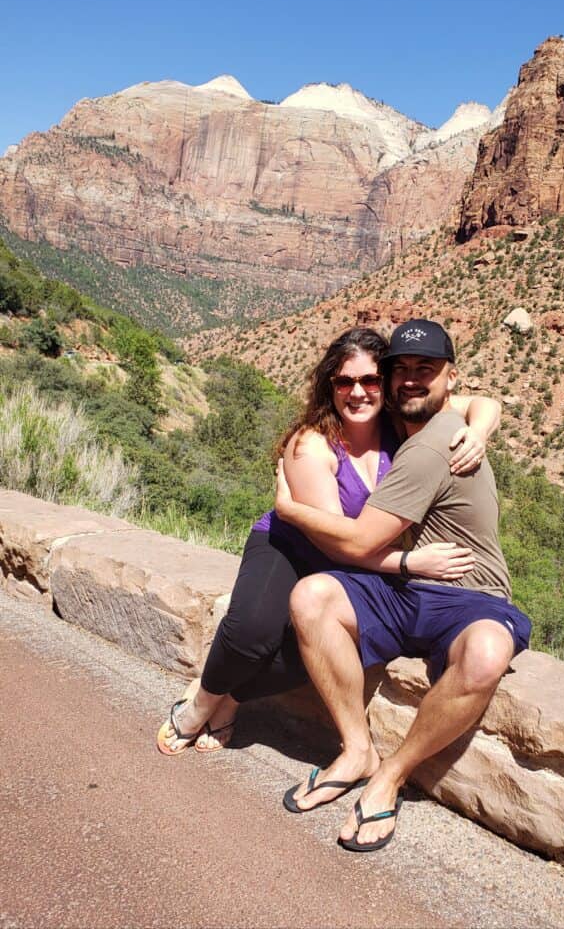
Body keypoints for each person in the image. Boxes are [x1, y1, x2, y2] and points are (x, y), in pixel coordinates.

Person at [156, 326, 502, 755]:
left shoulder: (404, 425)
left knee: (318, 654)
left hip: (361, 557)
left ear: (387, 384)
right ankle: (202, 701)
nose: (357, 392)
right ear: (330, 387)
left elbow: (482, 402)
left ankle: (233, 698)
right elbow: (336, 545)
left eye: (371, 380)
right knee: (253, 633)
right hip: (293, 546)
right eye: (344, 381)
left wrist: (480, 433)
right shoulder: (312, 445)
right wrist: (411, 564)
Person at [275, 319, 531, 851]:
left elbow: (362, 542)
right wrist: (481, 425)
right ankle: (355, 749)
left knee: (485, 653)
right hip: (406, 584)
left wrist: (290, 509)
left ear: (449, 377)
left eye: (426, 370)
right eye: (402, 370)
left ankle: (390, 775)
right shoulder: (415, 419)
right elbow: (485, 403)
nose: (411, 380)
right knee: (312, 597)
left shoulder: (431, 444)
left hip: (467, 592)